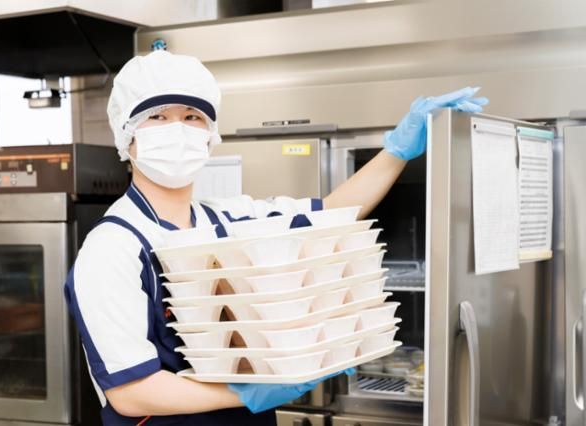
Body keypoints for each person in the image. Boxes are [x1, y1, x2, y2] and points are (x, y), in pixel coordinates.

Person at [64, 50, 487, 425]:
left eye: (192, 117)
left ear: (210, 136)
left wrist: (396, 152)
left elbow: (333, 214)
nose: (177, 129)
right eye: (157, 117)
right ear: (127, 135)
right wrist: (248, 394)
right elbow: (131, 393)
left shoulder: (231, 219)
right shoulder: (113, 248)